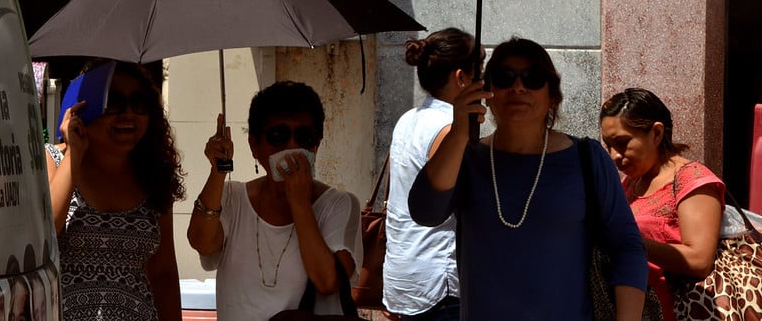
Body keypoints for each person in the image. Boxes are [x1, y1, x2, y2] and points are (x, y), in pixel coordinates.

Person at [409, 37, 649, 320]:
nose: (518, 87)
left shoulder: (586, 157)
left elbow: (627, 247)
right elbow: (425, 212)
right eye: (504, 77)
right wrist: (459, 131)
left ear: (553, 95)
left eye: (533, 78)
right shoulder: (467, 157)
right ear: (487, 90)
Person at [187, 81, 363, 321]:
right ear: (254, 146)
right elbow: (202, 242)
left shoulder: (338, 205)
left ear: (317, 145)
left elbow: (327, 282)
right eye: (278, 136)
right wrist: (218, 172)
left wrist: (299, 203)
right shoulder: (232, 198)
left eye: (304, 137)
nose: (292, 146)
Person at [48, 60, 185, 321]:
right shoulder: (53, 160)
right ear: (82, 108)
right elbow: (45, 234)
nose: (129, 113)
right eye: (114, 102)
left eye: (140, 103)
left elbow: (163, 272)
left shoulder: (153, 175)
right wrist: (73, 154)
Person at [600, 88, 725, 321]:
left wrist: (628, 240)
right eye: (608, 145)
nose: (615, 155)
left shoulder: (692, 179)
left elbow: (699, 260)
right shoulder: (630, 184)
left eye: (622, 143)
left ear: (656, 133)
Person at [384, 28, 479, 320]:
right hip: (439, 281)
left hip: (403, 277)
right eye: (481, 68)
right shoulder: (451, 130)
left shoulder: (407, 119)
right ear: (462, 77)